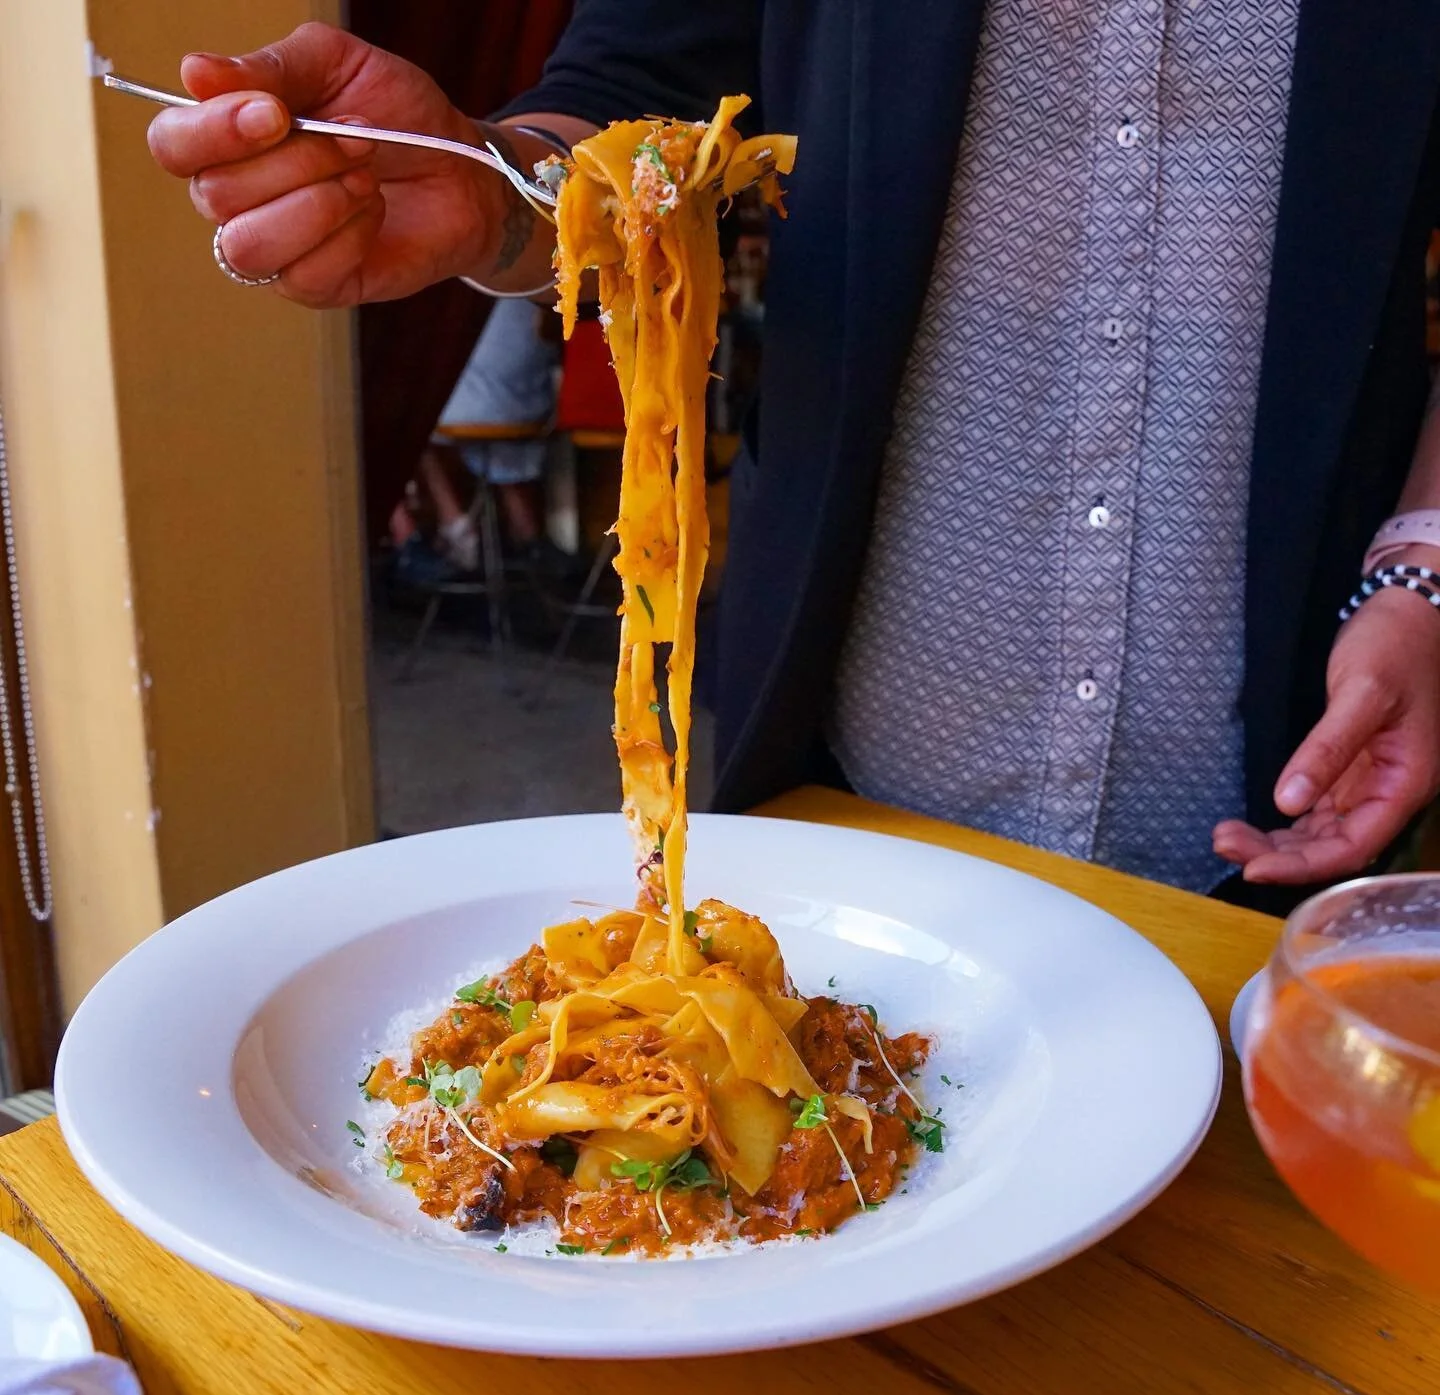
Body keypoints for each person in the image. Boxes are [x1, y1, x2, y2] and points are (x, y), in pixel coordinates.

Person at [144, 12, 1440, 904]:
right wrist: (497, 187)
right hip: (853, 776)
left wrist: (1426, 564)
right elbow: (640, 77)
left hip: (1293, 772)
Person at [389, 297, 559, 584]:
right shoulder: (541, 273)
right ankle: (528, 537)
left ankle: (427, 534)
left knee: (392, 420)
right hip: (537, 414)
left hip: (467, 415)